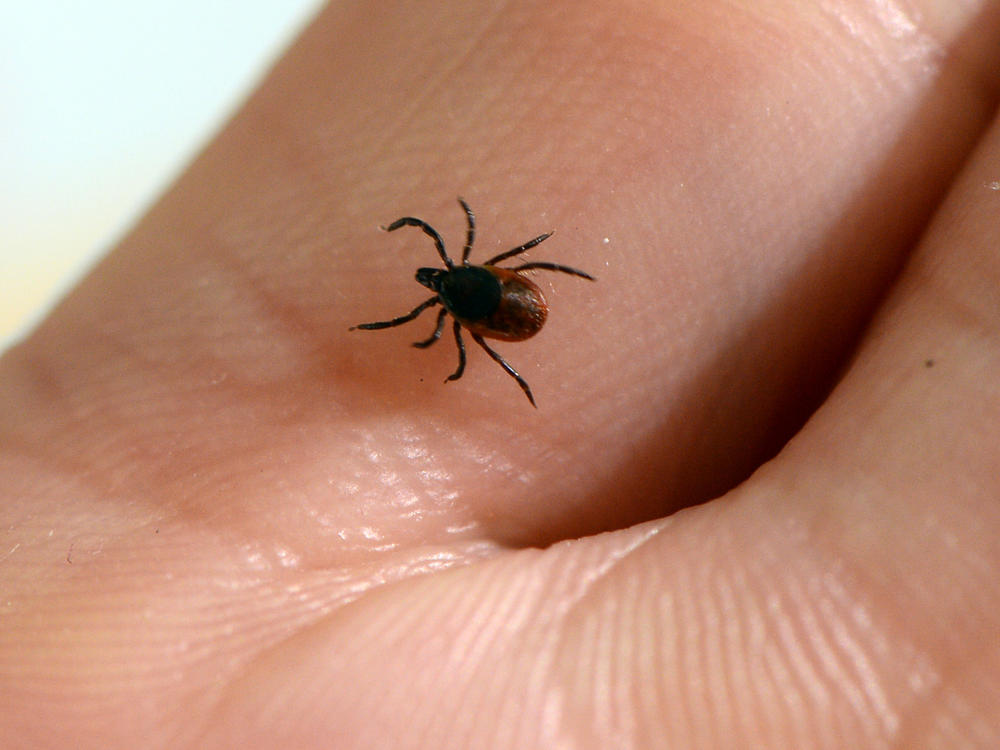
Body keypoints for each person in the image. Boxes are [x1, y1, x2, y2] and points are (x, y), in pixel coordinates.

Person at [2, 1, 998, 746]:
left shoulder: (460, 299)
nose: (436, 271)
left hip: (516, 318)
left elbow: (442, 315)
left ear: (456, 271)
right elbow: (491, 276)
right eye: (440, 270)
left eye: (437, 264)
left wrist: (452, 326)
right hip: (521, 314)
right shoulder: (481, 280)